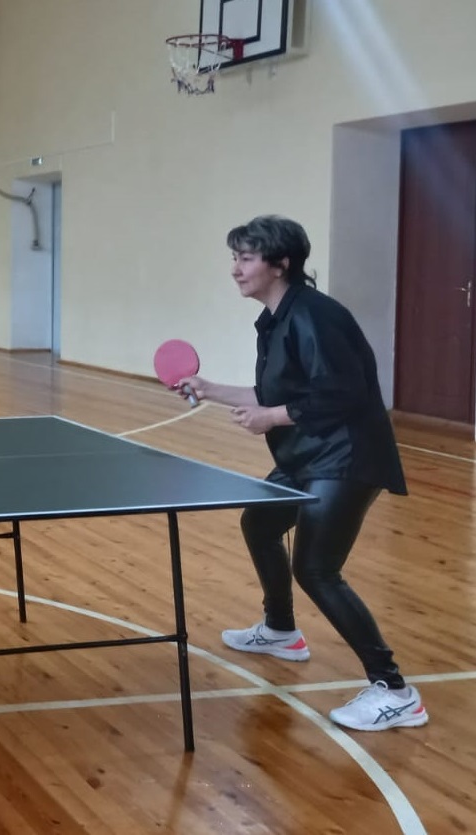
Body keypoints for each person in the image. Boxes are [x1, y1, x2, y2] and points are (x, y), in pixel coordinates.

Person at [179, 215, 425, 732]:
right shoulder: (275, 319)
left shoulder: (316, 315)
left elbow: (342, 393)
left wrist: (271, 418)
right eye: (234, 258)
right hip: (309, 455)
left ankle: (395, 690)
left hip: (348, 456)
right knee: (260, 523)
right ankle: (281, 630)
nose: (235, 269)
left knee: (316, 568)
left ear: (280, 264)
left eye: (246, 258)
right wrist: (209, 388)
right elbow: (275, 393)